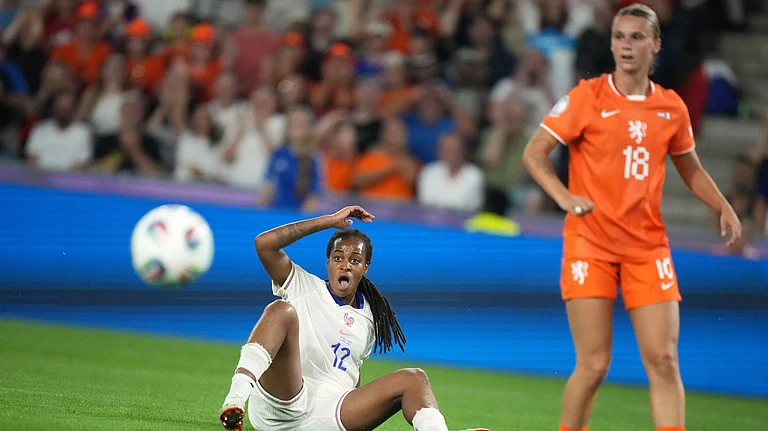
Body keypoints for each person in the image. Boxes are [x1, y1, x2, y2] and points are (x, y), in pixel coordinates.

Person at [521, 5, 742, 431]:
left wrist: (723, 205)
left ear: (655, 44)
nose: (626, 45)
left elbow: (690, 167)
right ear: (611, 43)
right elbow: (535, 152)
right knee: (594, 364)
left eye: (637, 37)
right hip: (591, 244)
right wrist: (564, 197)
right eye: (620, 36)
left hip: (647, 247)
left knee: (664, 360)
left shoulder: (671, 108)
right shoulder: (587, 97)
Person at [218, 206, 489, 431]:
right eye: (338, 257)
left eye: (354, 260)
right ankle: (236, 399)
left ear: (365, 268)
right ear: (328, 263)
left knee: (414, 377)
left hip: (327, 416)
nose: (345, 264)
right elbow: (264, 244)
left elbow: (350, 375)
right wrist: (328, 221)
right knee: (281, 311)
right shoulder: (303, 286)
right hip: (283, 407)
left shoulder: (371, 319)